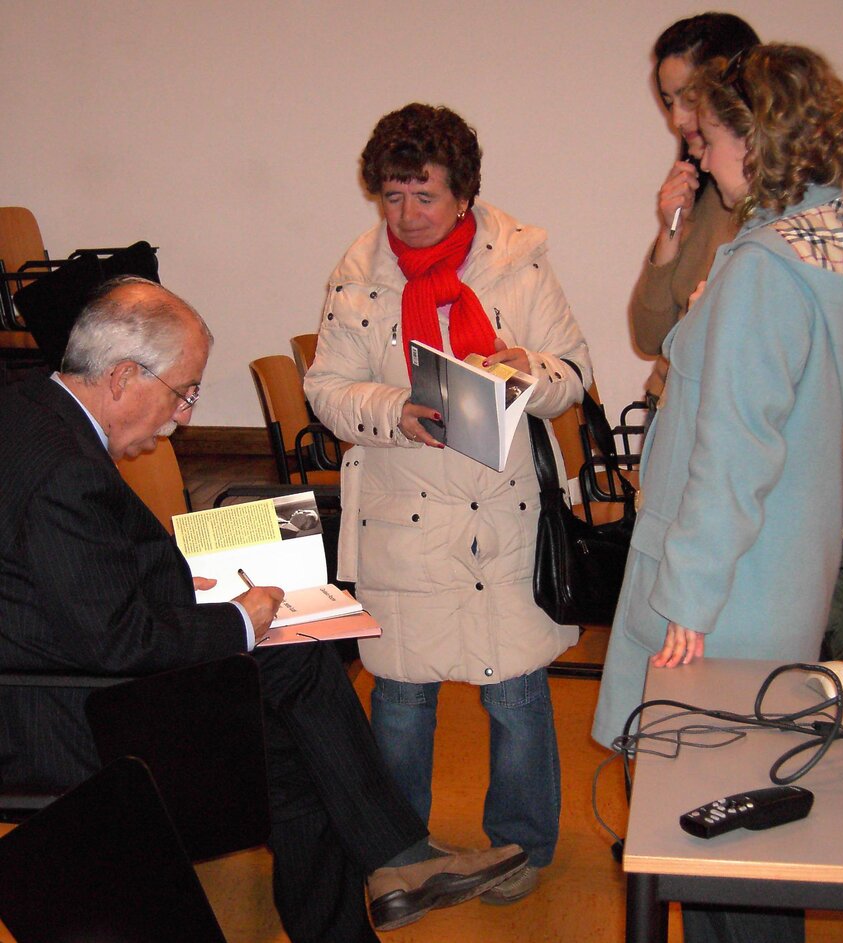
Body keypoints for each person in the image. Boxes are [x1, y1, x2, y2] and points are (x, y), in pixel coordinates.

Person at [0, 277, 526, 943]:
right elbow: (116, 640)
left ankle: (395, 864)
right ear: (124, 375)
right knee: (293, 664)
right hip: (63, 716)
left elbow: (83, 577)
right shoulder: (64, 469)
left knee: (298, 748)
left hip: (67, 669)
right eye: (182, 392)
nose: (184, 416)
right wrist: (240, 618)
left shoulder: (29, 408)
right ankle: (397, 859)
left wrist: (200, 579)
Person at [593, 45, 843, 940]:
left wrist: (684, 597)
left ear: (764, 140)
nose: (701, 147)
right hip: (778, 567)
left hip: (718, 583)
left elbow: (733, 450)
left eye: (714, 132)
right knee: (752, 817)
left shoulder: (766, 266)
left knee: (714, 825)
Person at [304, 102, 591, 904]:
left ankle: (524, 845)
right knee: (401, 691)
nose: (407, 215)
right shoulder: (358, 272)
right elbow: (325, 388)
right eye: (392, 197)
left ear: (463, 194)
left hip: (503, 508)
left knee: (518, 687)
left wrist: (522, 370)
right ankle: (399, 844)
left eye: (423, 197)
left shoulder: (520, 263)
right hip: (402, 502)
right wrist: (395, 410)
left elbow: (574, 371)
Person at [629, 12, 759, 401]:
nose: (677, 118)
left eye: (689, 98)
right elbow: (649, 337)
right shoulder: (697, 189)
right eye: (669, 102)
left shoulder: (779, 203)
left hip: (719, 417)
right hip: (671, 406)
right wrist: (670, 232)